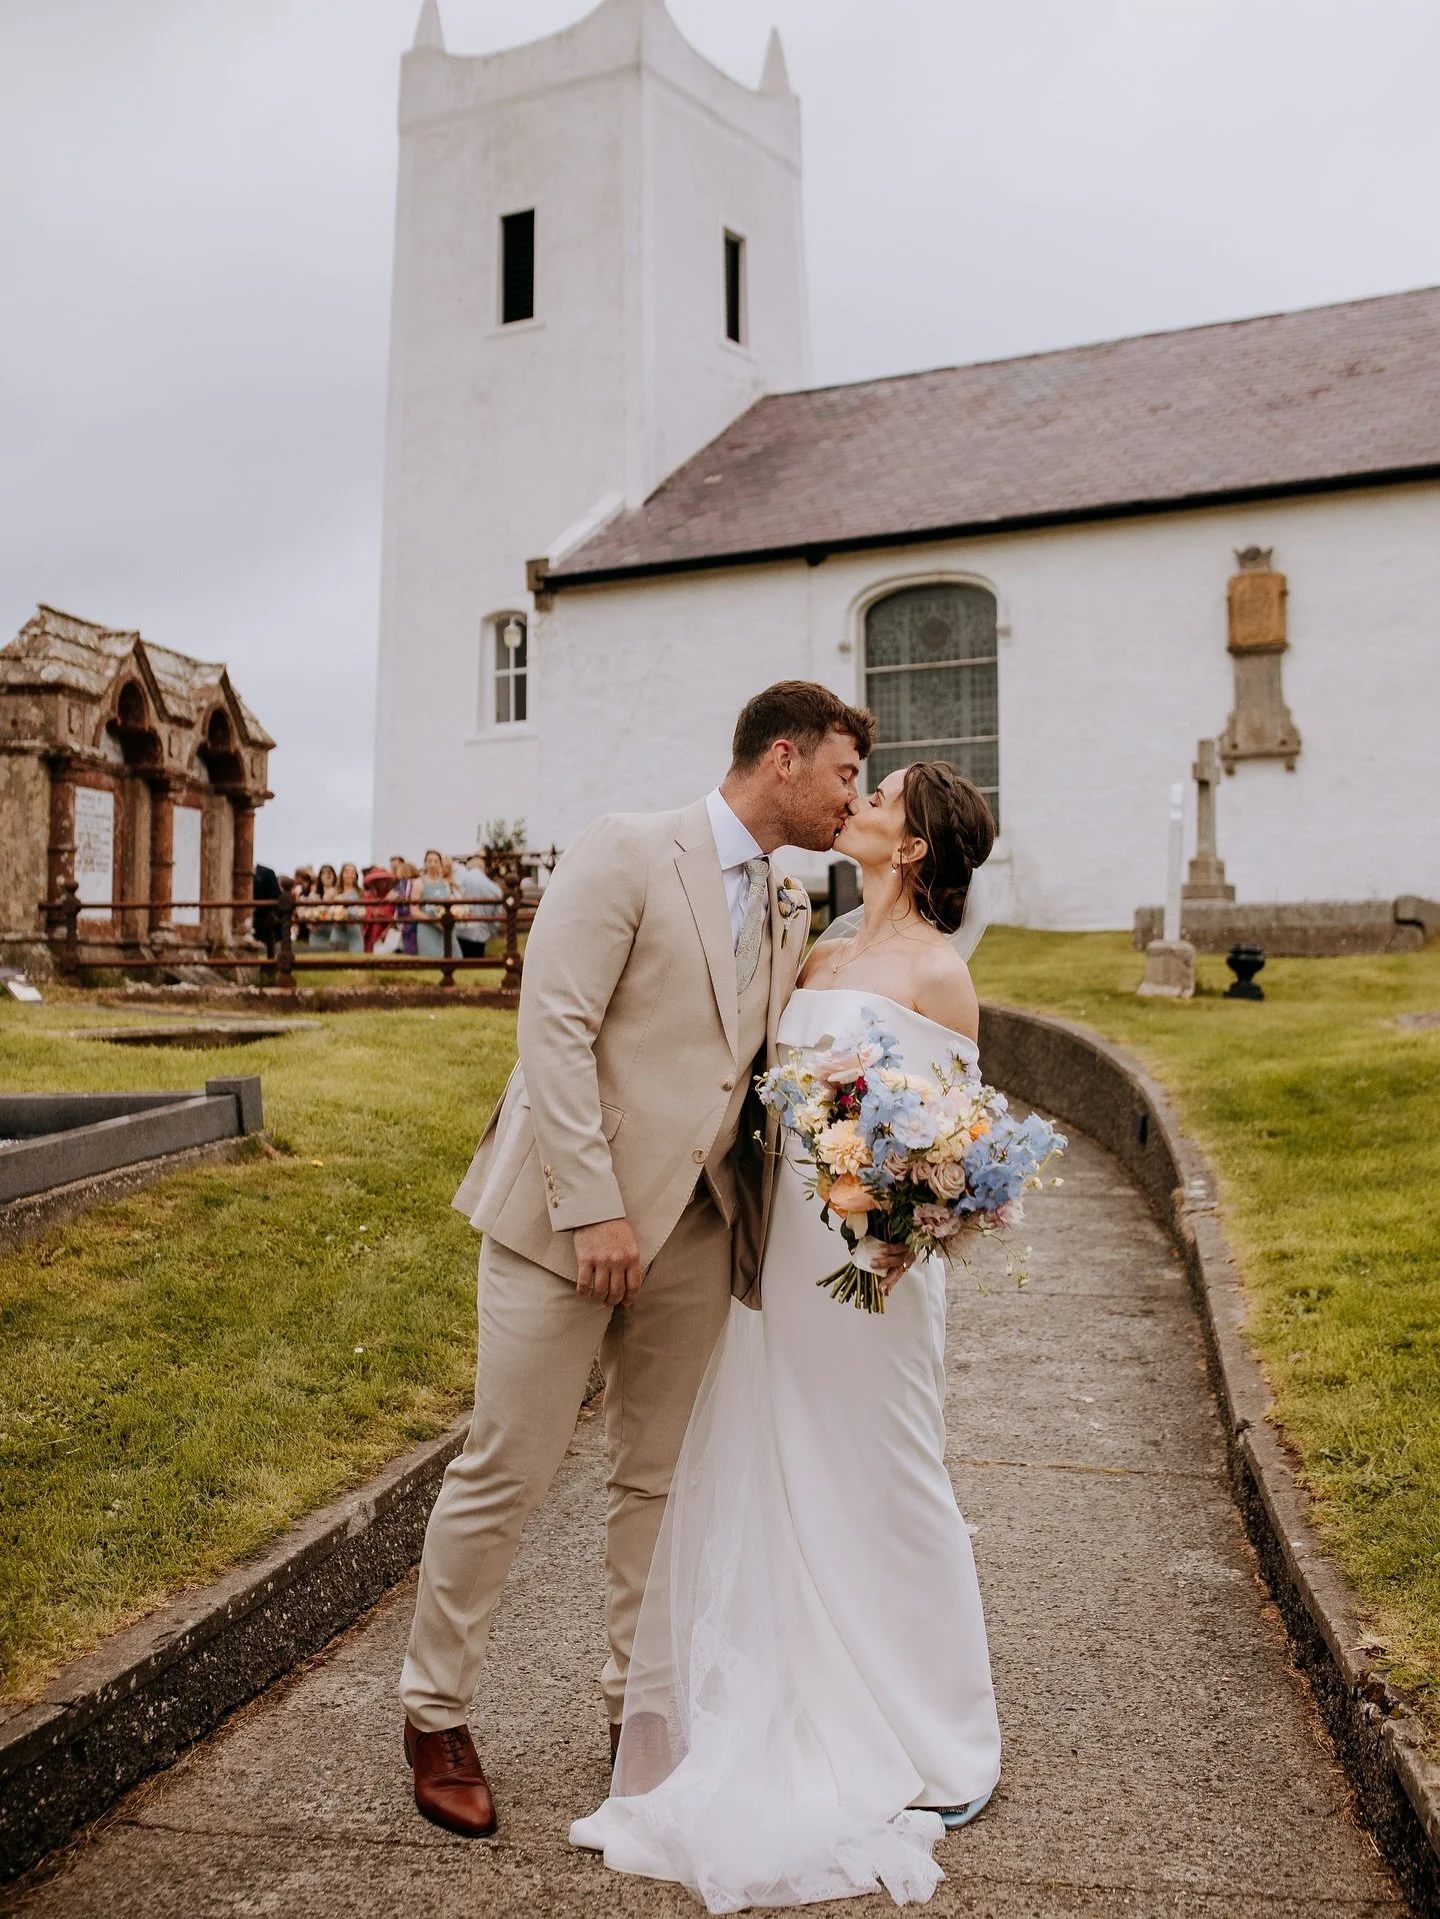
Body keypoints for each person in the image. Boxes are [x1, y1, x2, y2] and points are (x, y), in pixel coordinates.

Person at [398, 681, 874, 1841]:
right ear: (783, 757)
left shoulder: (792, 900)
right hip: (566, 1222)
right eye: (845, 773)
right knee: (507, 1464)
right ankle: (435, 1710)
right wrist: (593, 1207)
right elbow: (553, 1026)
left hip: (701, 1228)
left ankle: (635, 1707)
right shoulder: (626, 848)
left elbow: (752, 1073)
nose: (852, 797)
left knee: (656, 1477)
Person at [570, 761, 1002, 1910]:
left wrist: (909, 1224)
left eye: (883, 795)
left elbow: (959, 1144)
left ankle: (940, 1728)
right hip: (793, 1258)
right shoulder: (817, 949)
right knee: (792, 1461)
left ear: (914, 845)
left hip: (877, 1269)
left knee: (892, 1471)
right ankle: (815, 1680)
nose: (859, 800)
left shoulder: (938, 971)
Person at [453, 852, 504, 959]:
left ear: (469, 867)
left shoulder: (459, 880)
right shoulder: (493, 888)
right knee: (477, 961)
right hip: (481, 932)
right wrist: (492, 929)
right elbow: (498, 913)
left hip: (459, 929)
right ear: (483, 868)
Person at [412, 849, 452, 959]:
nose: (432, 864)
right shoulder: (418, 883)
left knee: (452, 956)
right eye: (429, 861)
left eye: (436, 861)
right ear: (425, 863)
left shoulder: (445, 883)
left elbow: (450, 904)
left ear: (440, 863)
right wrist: (433, 921)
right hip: (427, 927)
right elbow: (414, 910)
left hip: (445, 928)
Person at [331, 862, 366, 956]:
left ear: (356, 876)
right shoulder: (334, 892)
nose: (349, 875)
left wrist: (349, 914)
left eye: (352, 872)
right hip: (338, 932)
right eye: (346, 872)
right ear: (342, 874)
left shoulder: (361, 893)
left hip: (354, 932)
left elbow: (362, 911)